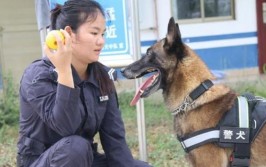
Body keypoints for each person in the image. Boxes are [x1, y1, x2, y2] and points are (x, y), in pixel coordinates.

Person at [16, 0, 153, 166]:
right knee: (75, 147)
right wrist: (64, 70)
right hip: (42, 161)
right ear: (69, 33)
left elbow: (114, 139)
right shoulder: (38, 75)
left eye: (102, 34)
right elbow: (65, 127)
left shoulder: (102, 76)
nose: (101, 41)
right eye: (94, 33)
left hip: (85, 159)